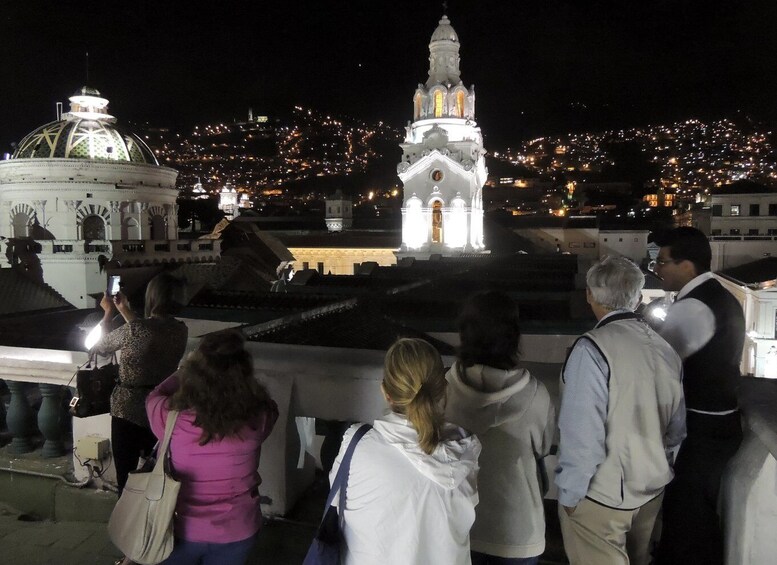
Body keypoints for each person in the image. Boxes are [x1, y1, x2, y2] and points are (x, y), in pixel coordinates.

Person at [555, 256, 686, 565]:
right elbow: (676, 430)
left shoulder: (592, 349)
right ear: (638, 298)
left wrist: (571, 495)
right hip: (651, 489)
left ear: (589, 295)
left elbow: (582, 435)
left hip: (602, 496)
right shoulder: (664, 347)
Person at [330, 337, 481, 565]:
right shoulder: (465, 451)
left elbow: (337, 499)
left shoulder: (356, 445)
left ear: (385, 392)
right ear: (443, 390)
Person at [650, 227, 745, 565]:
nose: (657, 269)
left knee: (688, 517)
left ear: (687, 265)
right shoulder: (720, 296)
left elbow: (659, 365)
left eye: (662, 262)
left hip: (701, 429)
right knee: (696, 514)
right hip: (720, 422)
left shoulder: (693, 308)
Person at [147, 329, 278, 565]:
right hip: (238, 530)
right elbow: (268, 404)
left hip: (178, 527)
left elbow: (155, 395)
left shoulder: (172, 419)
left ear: (194, 376)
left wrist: (182, 371)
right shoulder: (259, 418)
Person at [445, 291, 555, 565]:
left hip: (455, 524)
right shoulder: (535, 395)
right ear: (513, 334)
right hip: (518, 531)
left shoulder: (442, 389)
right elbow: (542, 446)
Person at [93, 272, 188, 493]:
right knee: (158, 472)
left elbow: (99, 346)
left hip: (128, 409)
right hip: (161, 408)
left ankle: (126, 521)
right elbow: (148, 334)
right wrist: (125, 311)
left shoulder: (136, 330)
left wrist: (108, 313)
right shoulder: (180, 330)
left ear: (152, 297)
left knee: (126, 477)